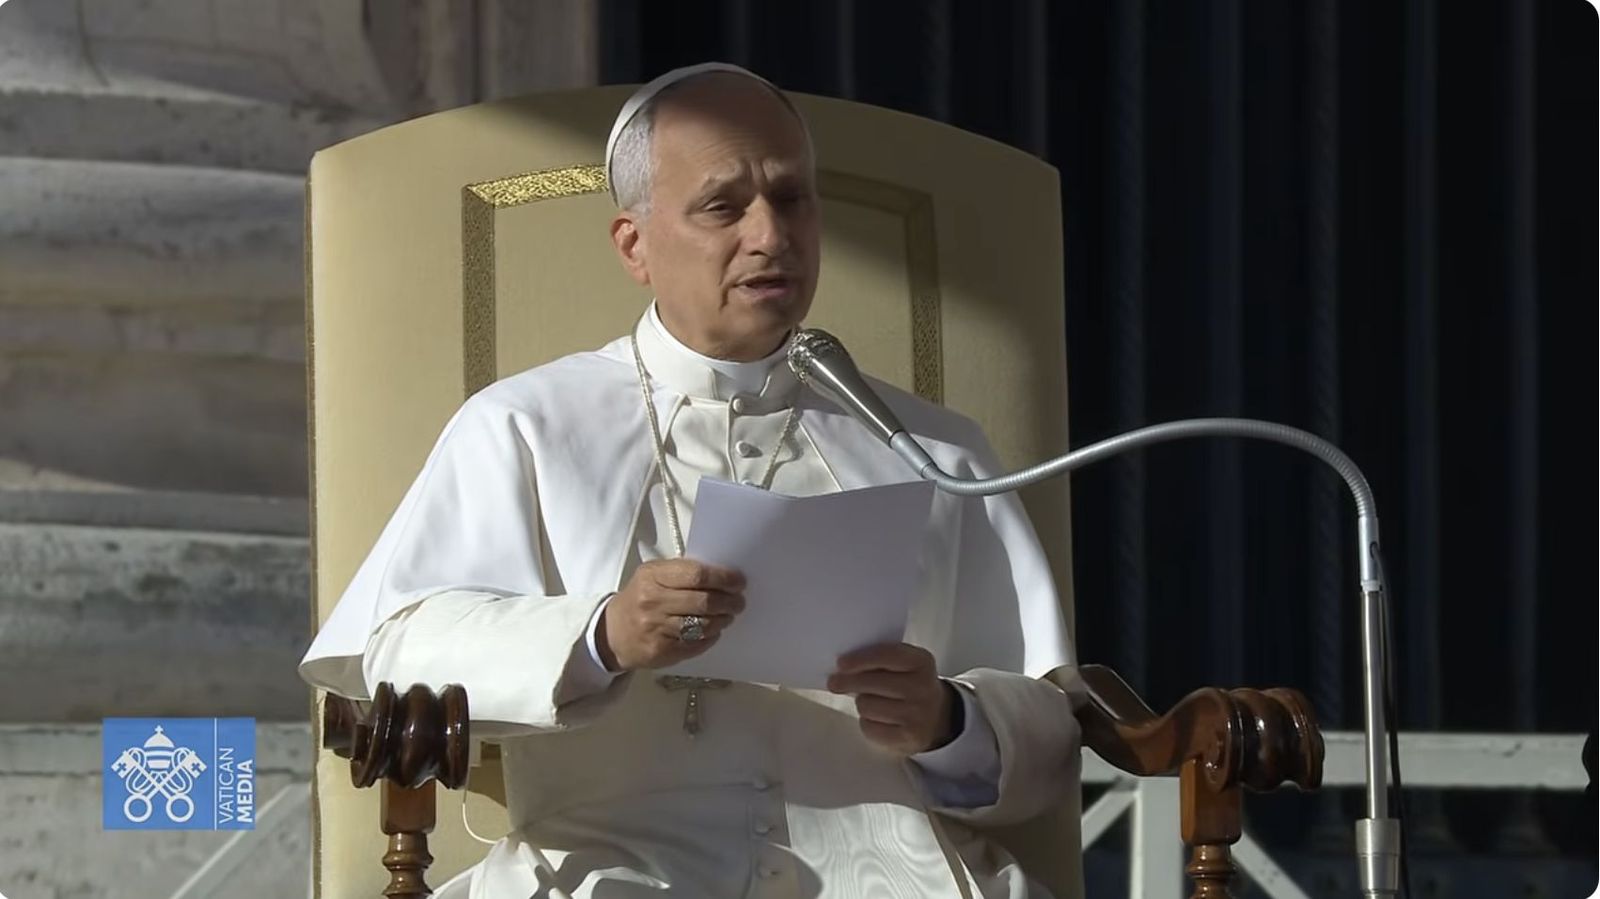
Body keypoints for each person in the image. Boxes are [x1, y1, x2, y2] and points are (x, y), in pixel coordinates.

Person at [300, 61, 1082, 898]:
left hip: (889, 872)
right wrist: (600, 636)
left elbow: (1051, 727)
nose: (771, 235)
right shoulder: (524, 425)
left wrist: (948, 719)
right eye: (723, 206)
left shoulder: (933, 447)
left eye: (792, 198)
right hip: (613, 867)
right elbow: (393, 653)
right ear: (633, 244)